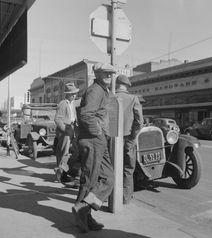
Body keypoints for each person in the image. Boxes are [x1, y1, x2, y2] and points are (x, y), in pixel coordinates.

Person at [72, 62, 116, 233]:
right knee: (89, 180)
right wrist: (98, 133)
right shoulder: (95, 90)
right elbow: (85, 115)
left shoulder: (102, 90)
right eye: (104, 73)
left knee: (108, 178)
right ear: (96, 74)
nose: (108, 76)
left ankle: (84, 208)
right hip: (92, 139)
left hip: (99, 139)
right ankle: (83, 214)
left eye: (110, 73)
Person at [116, 74, 144, 204]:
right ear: (126, 86)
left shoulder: (110, 97)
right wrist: (133, 136)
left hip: (112, 139)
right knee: (128, 168)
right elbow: (139, 121)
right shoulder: (133, 98)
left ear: (116, 84)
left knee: (112, 166)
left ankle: (112, 196)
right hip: (128, 138)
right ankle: (125, 197)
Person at [54, 82, 80, 186]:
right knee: (64, 152)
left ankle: (62, 169)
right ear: (67, 94)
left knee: (75, 152)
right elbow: (57, 119)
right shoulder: (63, 104)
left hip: (71, 129)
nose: (74, 95)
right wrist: (65, 129)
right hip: (65, 131)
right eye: (72, 94)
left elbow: (81, 102)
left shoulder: (72, 102)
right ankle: (61, 173)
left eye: (75, 93)